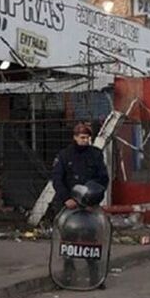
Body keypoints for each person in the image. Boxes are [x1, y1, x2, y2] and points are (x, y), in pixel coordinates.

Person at [51, 123, 110, 288]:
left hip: (88, 205)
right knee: (67, 243)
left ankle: (95, 278)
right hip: (68, 205)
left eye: (87, 138)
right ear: (75, 137)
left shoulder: (96, 155)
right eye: (82, 137)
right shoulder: (64, 155)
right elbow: (57, 179)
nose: (85, 141)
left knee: (90, 243)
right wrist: (66, 199)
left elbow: (102, 179)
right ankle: (65, 277)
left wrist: (92, 198)